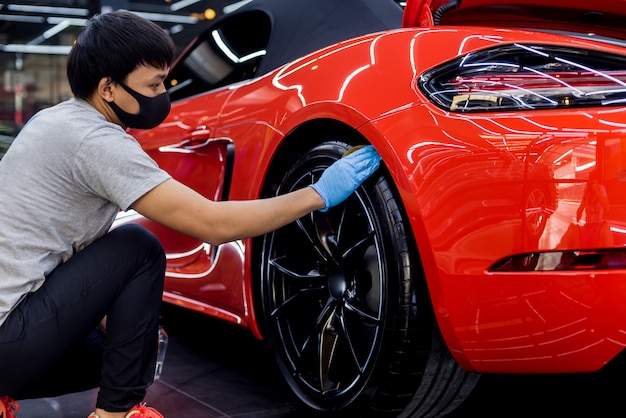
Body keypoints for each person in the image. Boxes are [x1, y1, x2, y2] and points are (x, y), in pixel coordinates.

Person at [0, 10, 381, 418]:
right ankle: (116, 414)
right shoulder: (97, 141)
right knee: (138, 247)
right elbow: (212, 225)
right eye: (155, 84)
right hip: (8, 339)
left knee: (130, 350)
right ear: (108, 88)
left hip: (11, 326)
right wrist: (317, 194)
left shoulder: (53, 120)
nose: (164, 94)